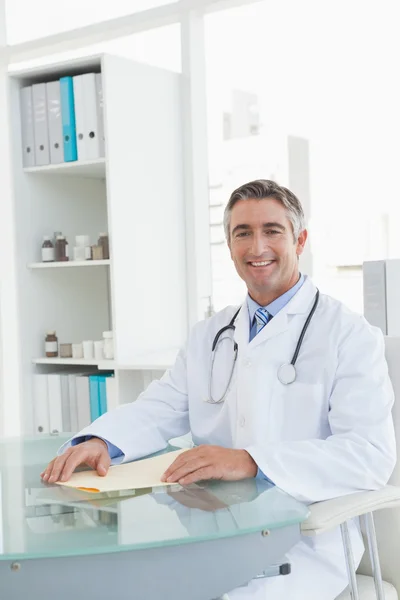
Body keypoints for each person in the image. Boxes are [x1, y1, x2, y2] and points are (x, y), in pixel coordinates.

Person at [42, 179, 396, 600]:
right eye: (242, 233)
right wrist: (101, 439)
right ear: (229, 246)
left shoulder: (349, 335)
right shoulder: (211, 334)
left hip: (305, 542)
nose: (256, 246)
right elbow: (160, 406)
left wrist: (249, 461)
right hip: (213, 531)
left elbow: (369, 455)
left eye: (272, 230)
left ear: (300, 240)